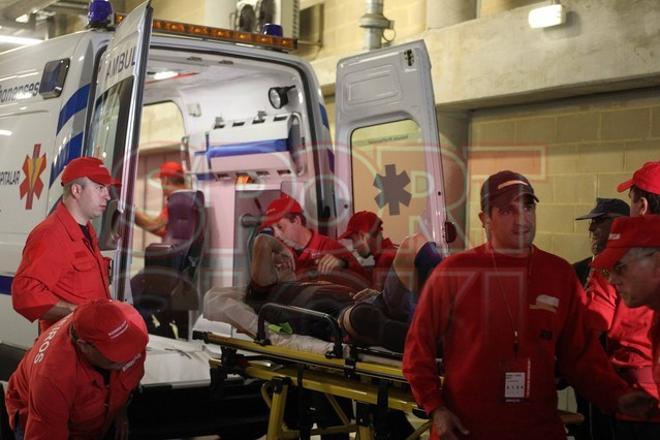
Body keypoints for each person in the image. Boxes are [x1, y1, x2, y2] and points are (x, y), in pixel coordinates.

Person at [402, 170, 657, 440]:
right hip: (466, 429)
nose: (522, 218)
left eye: (528, 206)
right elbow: (419, 347)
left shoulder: (559, 274)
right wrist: (435, 407)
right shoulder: (453, 273)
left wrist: (617, 396)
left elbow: (582, 356)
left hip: (536, 428)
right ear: (484, 219)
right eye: (506, 210)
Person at [579, 161, 660, 439]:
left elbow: (587, 331)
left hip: (632, 402)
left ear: (644, 206)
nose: (615, 279)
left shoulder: (618, 257)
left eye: (633, 200)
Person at [4, 298, 148, 440]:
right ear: (83, 346)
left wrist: (120, 408)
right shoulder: (53, 376)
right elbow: (47, 434)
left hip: (93, 420)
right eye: (115, 354)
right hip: (43, 419)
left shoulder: (132, 325)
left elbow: (132, 372)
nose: (126, 357)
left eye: (127, 346)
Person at [12, 157, 118, 333]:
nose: (107, 195)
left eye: (107, 189)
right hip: (67, 347)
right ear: (76, 190)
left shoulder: (87, 231)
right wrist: (79, 312)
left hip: (90, 342)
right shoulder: (51, 234)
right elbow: (25, 295)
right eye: (100, 188)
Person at [572, 197, 630, 440]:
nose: (592, 229)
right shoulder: (578, 269)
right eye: (591, 222)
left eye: (601, 221)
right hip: (586, 375)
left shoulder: (631, 268)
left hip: (618, 377)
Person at [251, 193, 370, 291]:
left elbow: (365, 284)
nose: (276, 235)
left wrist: (343, 264)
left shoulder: (329, 247)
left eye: (280, 227)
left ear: (296, 221)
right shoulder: (282, 256)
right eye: (272, 229)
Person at [338, 210, 398, 290]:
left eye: (353, 240)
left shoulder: (385, 260)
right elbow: (368, 276)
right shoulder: (389, 253)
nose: (354, 246)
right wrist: (346, 265)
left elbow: (374, 298)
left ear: (362, 236)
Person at [134, 161, 187, 237]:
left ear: (166, 180)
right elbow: (163, 230)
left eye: (161, 180)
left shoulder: (178, 199)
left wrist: (132, 213)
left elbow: (155, 225)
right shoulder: (185, 196)